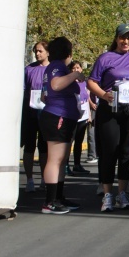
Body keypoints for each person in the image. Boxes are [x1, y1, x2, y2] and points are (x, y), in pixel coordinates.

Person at [86, 23, 129, 212]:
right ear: (116, 38)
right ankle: (107, 195)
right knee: (109, 153)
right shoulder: (105, 58)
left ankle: (122, 193)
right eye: (122, 37)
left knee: (127, 154)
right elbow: (91, 82)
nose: (126, 41)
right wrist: (104, 95)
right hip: (110, 110)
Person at [39, 37, 86, 214]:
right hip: (57, 116)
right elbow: (56, 85)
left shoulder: (55, 67)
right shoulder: (57, 66)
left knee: (61, 160)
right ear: (67, 52)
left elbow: (46, 93)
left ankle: (58, 197)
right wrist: (75, 75)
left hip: (64, 116)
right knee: (55, 159)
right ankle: (49, 201)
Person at [22, 41, 49, 193]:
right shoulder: (29, 69)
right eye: (36, 51)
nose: (38, 53)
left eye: (40, 51)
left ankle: (45, 178)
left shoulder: (53, 69)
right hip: (31, 113)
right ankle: (30, 179)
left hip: (46, 113)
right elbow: (24, 90)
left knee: (44, 148)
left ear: (47, 52)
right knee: (29, 146)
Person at [67, 61, 91, 175]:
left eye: (78, 67)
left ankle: (77, 164)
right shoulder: (69, 83)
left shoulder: (84, 83)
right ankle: (65, 165)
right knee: (70, 141)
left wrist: (89, 115)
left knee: (79, 141)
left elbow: (87, 98)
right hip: (72, 115)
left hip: (83, 115)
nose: (76, 69)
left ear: (81, 69)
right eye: (73, 68)